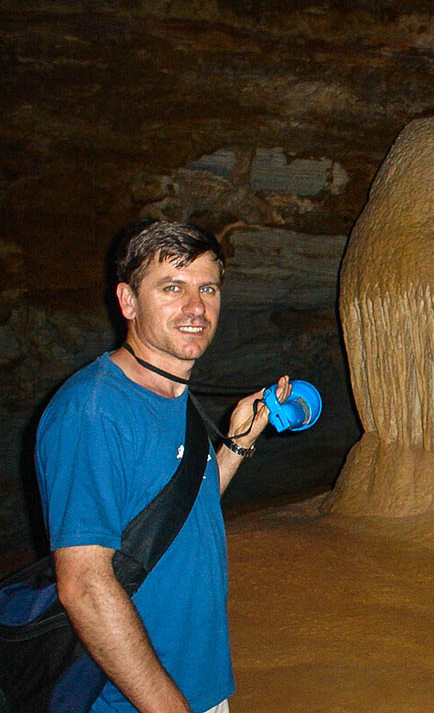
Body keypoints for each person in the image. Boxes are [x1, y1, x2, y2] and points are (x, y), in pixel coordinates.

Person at [35, 219, 291, 713]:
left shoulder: (175, 393)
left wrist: (238, 444)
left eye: (208, 288)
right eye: (172, 287)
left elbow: (173, 516)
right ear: (128, 302)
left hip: (200, 680)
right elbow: (84, 585)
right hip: (129, 699)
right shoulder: (94, 411)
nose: (196, 308)